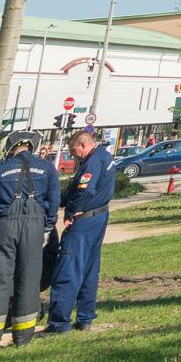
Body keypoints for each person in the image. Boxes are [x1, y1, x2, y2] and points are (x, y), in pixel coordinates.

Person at [0, 137, 60, 351]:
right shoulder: (47, 168)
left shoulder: (1, 167)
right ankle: (23, 338)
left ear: (9, 149)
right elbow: (54, 199)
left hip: (4, 225)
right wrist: (47, 227)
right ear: (33, 148)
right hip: (34, 225)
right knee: (29, 279)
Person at [48, 129, 116, 334]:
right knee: (89, 269)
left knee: (69, 268)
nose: (72, 154)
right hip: (99, 216)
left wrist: (71, 212)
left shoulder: (93, 161)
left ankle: (59, 323)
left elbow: (85, 190)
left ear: (83, 145)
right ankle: (85, 317)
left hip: (84, 220)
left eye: (73, 150)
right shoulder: (105, 155)